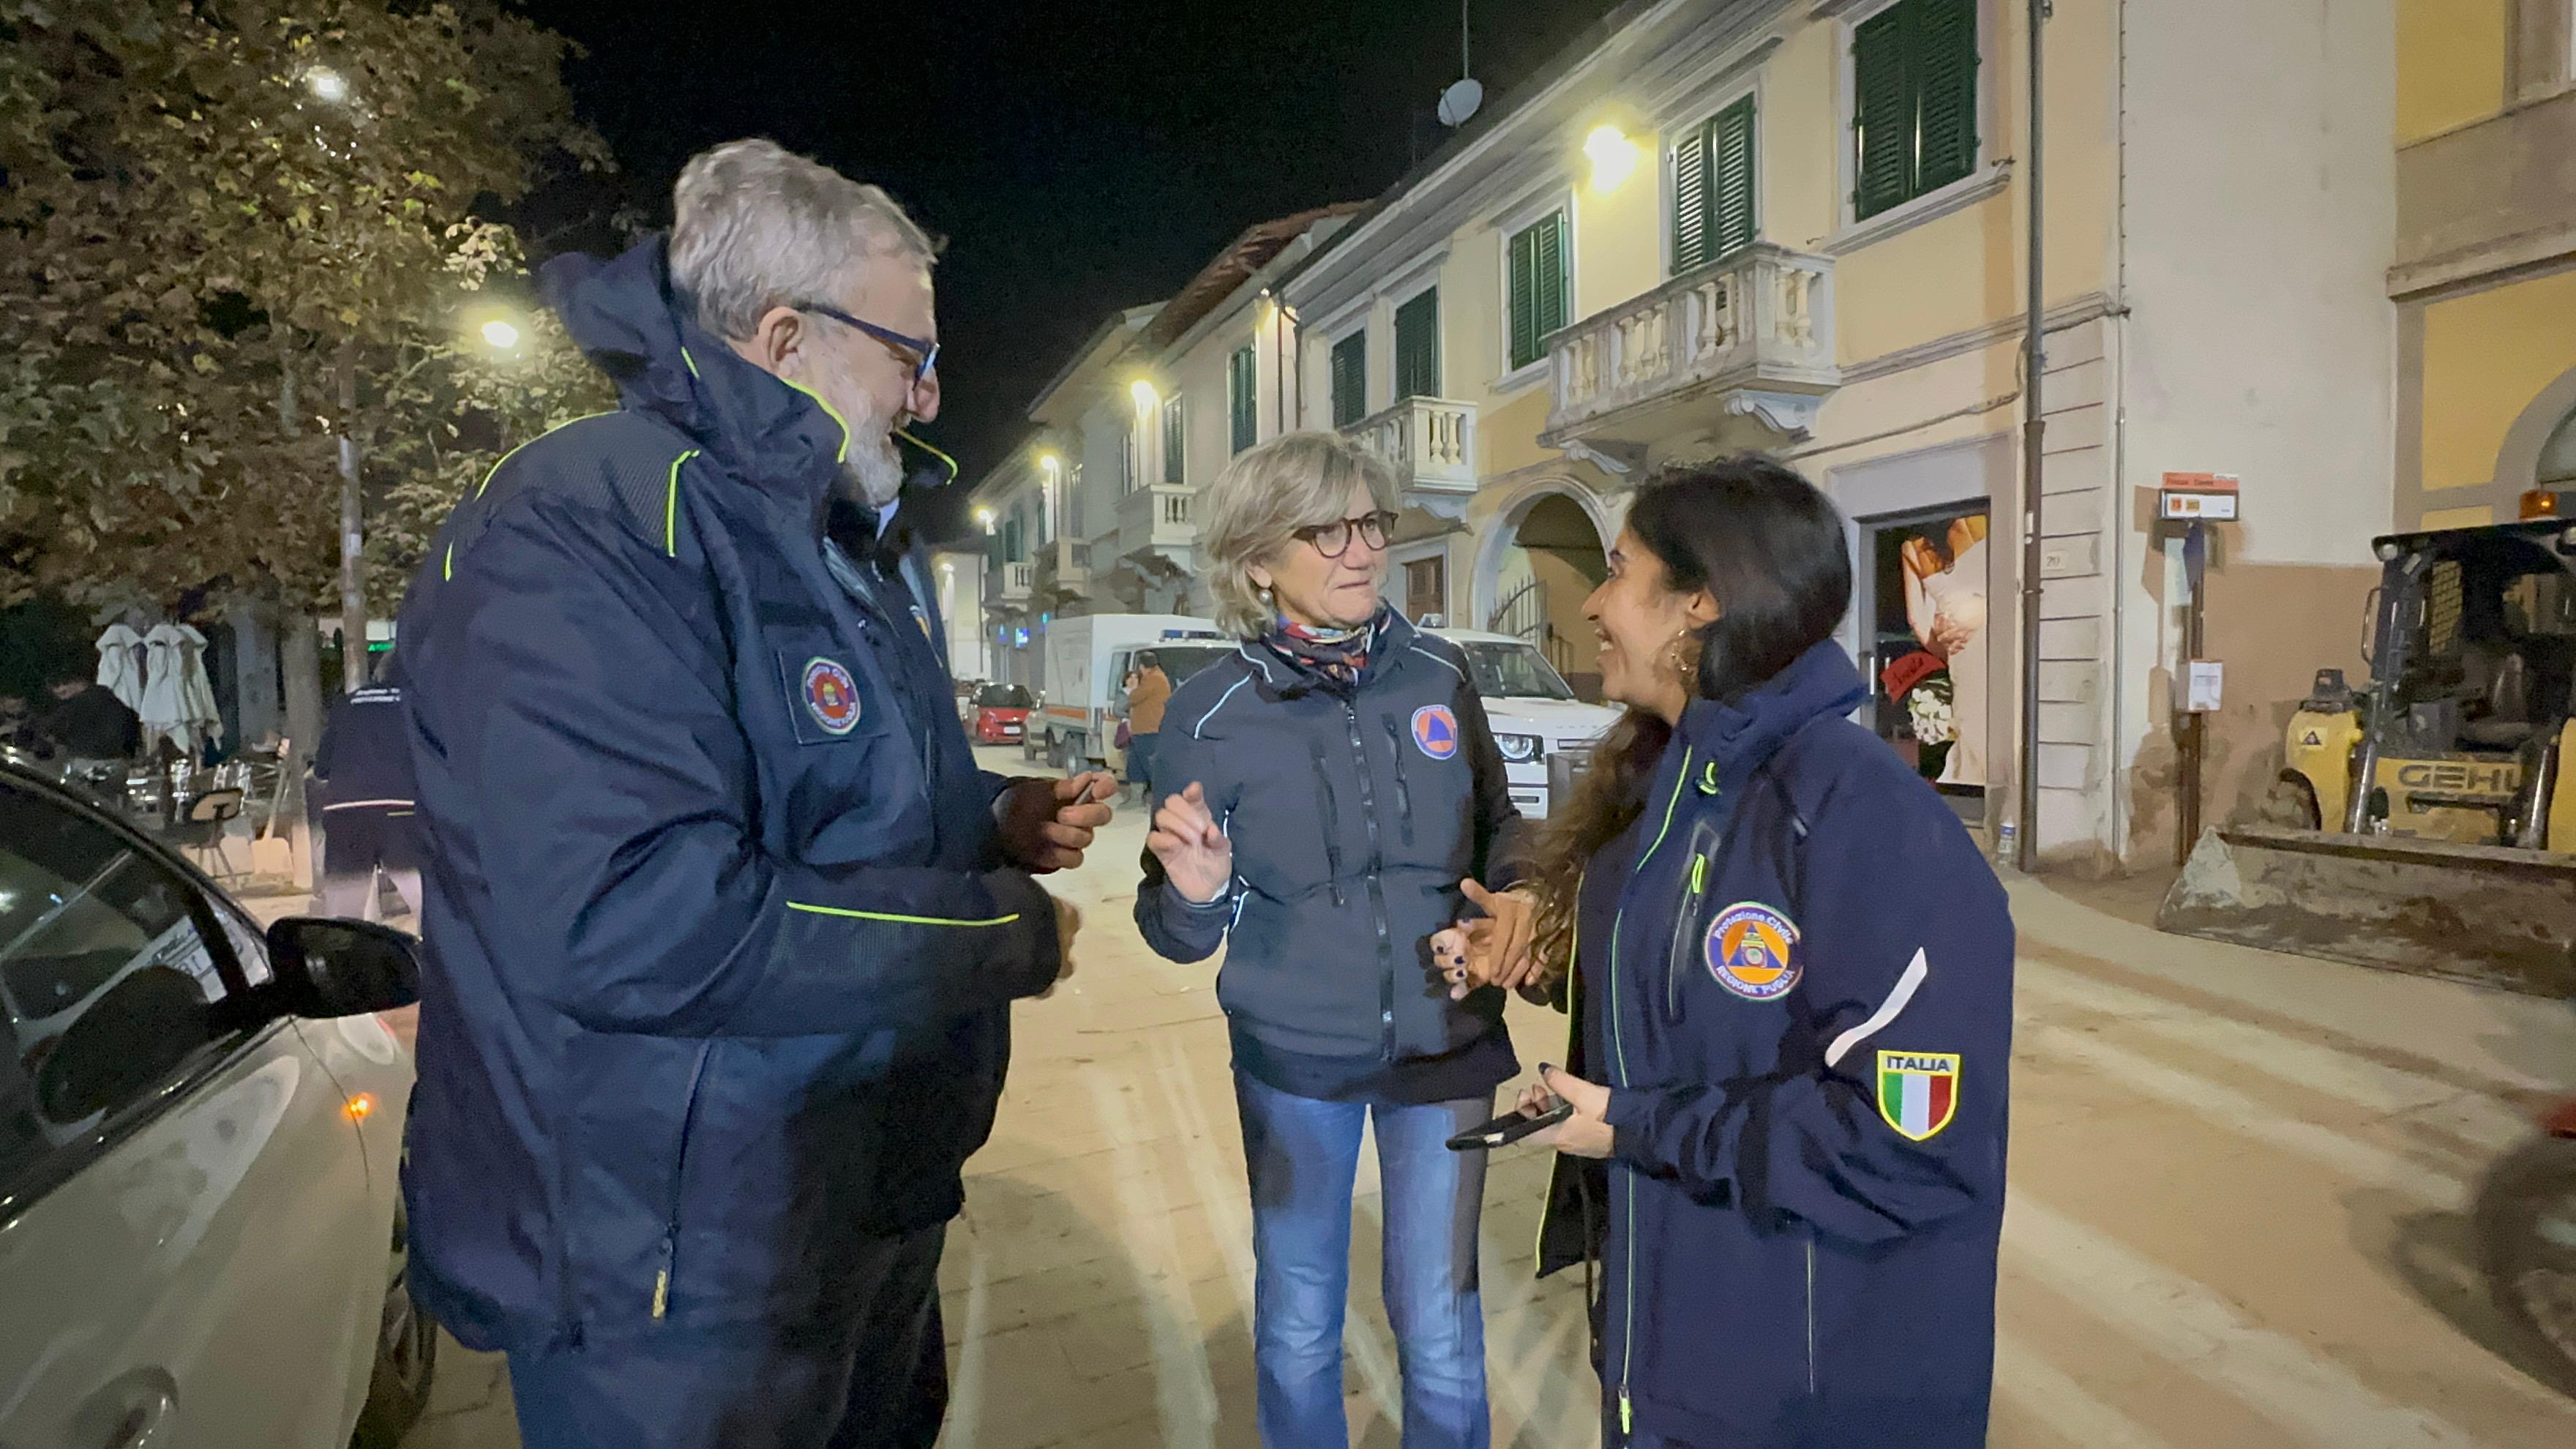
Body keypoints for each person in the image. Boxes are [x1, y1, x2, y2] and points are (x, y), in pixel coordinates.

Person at [392, 139, 1115, 1449]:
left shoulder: (838, 539)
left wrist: (992, 820)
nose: (932, 395)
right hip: (676, 1275)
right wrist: (999, 934)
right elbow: (637, 915)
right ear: (786, 336)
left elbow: (832, 803)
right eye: (912, 354)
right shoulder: (586, 519)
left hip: (859, 1203)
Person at [1461, 457, 2012, 1448]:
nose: (1591, 604)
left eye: (1618, 570)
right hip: (1671, 1348)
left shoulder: (1856, 816)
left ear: (1699, 603)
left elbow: (1910, 1143)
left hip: (1806, 1387)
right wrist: (1545, 956)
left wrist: (1638, 1129)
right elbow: (1694, 1000)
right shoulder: (1669, 788)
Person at [1138, 431, 1534, 1449]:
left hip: (1447, 1046)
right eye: (1327, 531)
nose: (1362, 552)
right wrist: (1192, 895)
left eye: (1371, 524)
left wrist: (1513, 904)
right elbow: (1177, 933)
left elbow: (1504, 829)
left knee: (1441, 1320)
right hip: (1294, 1060)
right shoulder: (1209, 712)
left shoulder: (1442, 674)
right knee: (1303, 1319)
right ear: (1257, 558)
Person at [310, 659, 422, 923]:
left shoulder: (346, 704)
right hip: (402, 811)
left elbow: (321, 769)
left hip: (345, 812)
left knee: (343, 912)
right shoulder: (415, 705)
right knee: (427, 904)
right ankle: (435, 960)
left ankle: (343, 959)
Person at [32, 675, 141, 776]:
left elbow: (51, 728)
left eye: (63, 693)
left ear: (74, 683)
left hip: (86, 762)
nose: (62, 699)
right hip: (118, 762)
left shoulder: (74, 707)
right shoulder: (114, 701)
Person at [1122, 650, 1169, 804]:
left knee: (1151, 767)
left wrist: (1132, 689)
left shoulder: (1153, 679)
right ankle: (1135, 800)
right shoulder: (1155, 677)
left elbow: (1135, 697)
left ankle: (1161, 801)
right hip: (1141, 731)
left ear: (1141, 666)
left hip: (1150, 730)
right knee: (1135, 767)